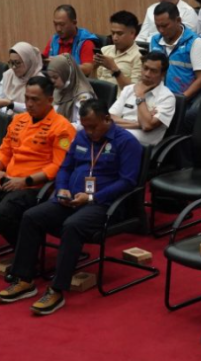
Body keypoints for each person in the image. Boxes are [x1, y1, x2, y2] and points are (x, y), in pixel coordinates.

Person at [0, 99, 142, 315]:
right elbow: (65, 167)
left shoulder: (127, 142)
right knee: (31, 216)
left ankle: (57, 289)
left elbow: (127, 182)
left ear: (107, 119)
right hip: (71, 198)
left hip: (103, 203)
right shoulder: (82, 136)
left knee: (72, 225)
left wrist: (92, 197)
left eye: (93, 127)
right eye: (85, 126)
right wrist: (62, 190)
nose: (89, 132)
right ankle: (24, 279)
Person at [0, 76, 76, 249]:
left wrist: (25, 181)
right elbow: (5, 151)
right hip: (8, 180)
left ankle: (26, 254)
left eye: (35, 100)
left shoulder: (62, 127)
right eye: (26, 98)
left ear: (50, 100)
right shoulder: (19, 120)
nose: (29, 104)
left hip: (35, 187)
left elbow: (58, 166)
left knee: (4, 213)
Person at [109, 52, 176, 146]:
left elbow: (146, 126)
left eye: (153, 71)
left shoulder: (167, 97)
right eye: (145, 68)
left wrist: (140, 95)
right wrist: (137, 124)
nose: (147, 74)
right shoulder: (129, 89)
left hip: (141, 144)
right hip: (119, 134)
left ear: (163, 74)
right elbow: (110, 118)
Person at [149, 2, 201, 103]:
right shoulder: (155, 40)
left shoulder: (195, 42)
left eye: (165, 26)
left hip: (185, 100)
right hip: (159, 99)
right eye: (157, 26)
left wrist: (180, 100)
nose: (161, 30)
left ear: (178, 21)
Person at [92, 11, 142, 90]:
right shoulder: (105, 50)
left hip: (121, 97)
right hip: (100, 96)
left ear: (132, 33)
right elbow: (94, 83)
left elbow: (134, 91)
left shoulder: (140, 56)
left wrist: (114, 69)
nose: (114, 38)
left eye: (119, 34)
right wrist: (94, 67)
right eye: (113, 33)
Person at [43, 5, 97, 76]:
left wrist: (62, 65)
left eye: (62, 24)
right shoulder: (54, 40)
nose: (58, 29)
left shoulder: (85, 42)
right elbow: (44, 59)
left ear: (74, 23)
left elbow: (87, 70)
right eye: (55, 24)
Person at [46, 54, 96, 130]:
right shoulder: (58, 88)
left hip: (71, 133)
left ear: (66, 74)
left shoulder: (83, 95)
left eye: (55, 77)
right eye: (50, 77)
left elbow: (82, 125)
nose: (52, 81)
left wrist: (57, 127)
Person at [0, 42, 43, 114]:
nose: (13, 67)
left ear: (28, 61)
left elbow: (36, 108)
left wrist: (10, 104)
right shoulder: (9, 74)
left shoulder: (40, 80)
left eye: (17, 63)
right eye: (11, 63)